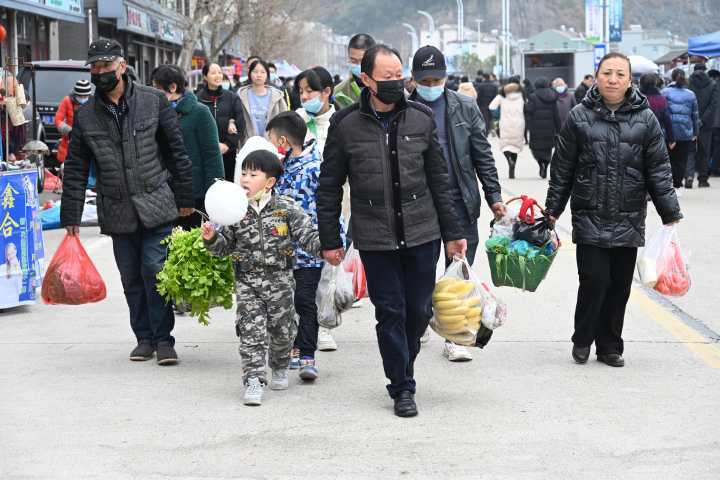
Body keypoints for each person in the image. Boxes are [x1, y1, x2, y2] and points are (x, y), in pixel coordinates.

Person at [317, 44, 467, 417]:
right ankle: (401, 386)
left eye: (399, 75)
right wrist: (330, 239)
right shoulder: (346, 125)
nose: (396, 82)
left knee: (417, 311)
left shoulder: (421, 118)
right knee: (390, 312)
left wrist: (453, 232)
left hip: (422, 231)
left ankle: (405, 366)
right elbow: (330, 185)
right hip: (374, 235)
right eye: (386, 77)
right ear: (366, 79)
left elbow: (440, 179)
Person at [61, 39, 194, 365]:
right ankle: (144, 338)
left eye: (105, 66)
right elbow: (76, 168)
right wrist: (71, 215)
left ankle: (164, 339)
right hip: (117, 206)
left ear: (121, 65)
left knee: (155, 270)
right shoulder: (86, 115)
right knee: (131, 277)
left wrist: (186, 197)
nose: (99, 73)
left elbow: (176, 152)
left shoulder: (154, 102)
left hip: (156, 201)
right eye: (94, 67)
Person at [546, 52, 682, 368]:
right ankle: (582, 337)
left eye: (620, 74)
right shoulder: (579, 116)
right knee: (594, 280)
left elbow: (659, 168)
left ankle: (609, 345)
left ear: (629, 80)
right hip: (589, 212)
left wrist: (669, 211)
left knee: (619, 285)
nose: (613, 79)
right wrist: (552, 210)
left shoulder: (646, 119)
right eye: (607, 72)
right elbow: (562, 168)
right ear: (597, 76)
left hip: (629, 214)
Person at [201, 150, 321, 406]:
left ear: (270, 182)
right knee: (251, 331)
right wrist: (211, 238)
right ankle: (253, 379)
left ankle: (279, 364)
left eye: (253, 174)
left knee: (283, 330)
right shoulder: (235, 211)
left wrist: (328, 247)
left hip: (281, 282)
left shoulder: (285, 208)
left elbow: (307, 236)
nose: (245, 179)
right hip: (247, 283)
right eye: (243, 173)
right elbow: (224, 247)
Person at [409, 46, 504, 363]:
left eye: (437, 79)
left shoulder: (464, 106)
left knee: (459, 271)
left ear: (446, 77)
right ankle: (422, 319)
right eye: (426, 79)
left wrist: (494, 197)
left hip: (459, 200)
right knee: (419, 271)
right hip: (418, 203)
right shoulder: (404, 109)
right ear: (414, 79)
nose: (432, 85)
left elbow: (482, 155)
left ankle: (456, 335)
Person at [266, 111, 342, 379]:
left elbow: (329, 205)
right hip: (281, 252)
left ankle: (306, 353)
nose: (272, 144)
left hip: (309, 251)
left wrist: (335, 239)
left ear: (284, 140)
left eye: (273, 139)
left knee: (304, 301)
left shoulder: (313, 168)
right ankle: (291, 346)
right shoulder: (279, 168)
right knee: (285, 302)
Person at [151, 65, 224, 229]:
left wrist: (213, 195)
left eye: (157, 88)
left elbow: (212, 156)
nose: (153, 93)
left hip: (194, 193)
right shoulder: (155, 112)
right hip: (163, 191)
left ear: (172, 88)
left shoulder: (200, 113)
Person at [196, 63, 245, 181]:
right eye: (213, 73)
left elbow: (240, 124)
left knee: (226, 185)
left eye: (219, 72)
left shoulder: (232, 97)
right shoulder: (197, 99)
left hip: (228, 153)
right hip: (204, 152)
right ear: (205, 77)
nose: (217, 76)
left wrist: (227, 145)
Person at [662, 69, 699, 190]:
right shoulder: (691, 94)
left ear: (672, 78)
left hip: (668, 132)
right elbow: (695, 115)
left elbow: (663, 113)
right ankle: (677, 184)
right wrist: (695, 132)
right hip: (685, 131)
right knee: (682, 159)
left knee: (669, 158)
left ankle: (670, 183)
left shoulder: (665, 92)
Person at [238, 60, 288, 143]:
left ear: (267, 75)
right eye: (255, 72)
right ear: (249, 74)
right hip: (248, 144)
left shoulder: (277, 96)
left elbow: (285, 120)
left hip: (272, 143)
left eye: (262, 72)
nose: (259, 75)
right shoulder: (241, 96)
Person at [294, 67, 337, 153]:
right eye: (301, 92)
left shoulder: (339, 123)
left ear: (327, 91)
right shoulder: (295, 120)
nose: (303, 97)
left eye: (309, 91)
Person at [687, 64, 716, 188]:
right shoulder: (712, 84)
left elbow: (686, 102)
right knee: (704, 151)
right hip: (706, 124)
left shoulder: (688, 83)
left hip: (689, 122)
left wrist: (693, 119)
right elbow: (713, 104)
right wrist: (702, 119)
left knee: (690, 150)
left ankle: (689, 176)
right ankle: (702, 179)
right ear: (705, 70)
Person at [525, 77, 560, 179]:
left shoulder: (532, 96)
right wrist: (559, 128)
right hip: (550, 127)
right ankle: (546, 164)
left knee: (535, 149)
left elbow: (529, 111)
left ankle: (541, 164)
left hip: (536, 128)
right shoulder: (553, 96)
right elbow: (556, 114)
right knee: (548, 149)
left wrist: (528, 123)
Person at [489, 82, 526, 178]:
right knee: (515, 146)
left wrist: (497, 115)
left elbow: (491, 106)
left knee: (505, 145)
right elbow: (527, 106)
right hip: (519, 123)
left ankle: (509, 160)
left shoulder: (501, 97)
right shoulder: (521, 96)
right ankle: (513, 167)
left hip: (505, 123)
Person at [54, 80, 92, 165]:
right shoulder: (67, 101)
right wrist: (70, 132)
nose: (82, 98)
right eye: (80, 96)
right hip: (68, 147)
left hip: (88, 147)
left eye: (85, 96)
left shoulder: (93, 102)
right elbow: (58, 120)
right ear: (75, 94)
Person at [334, 33, 376, 108]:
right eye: (353, 61)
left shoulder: (386, 89)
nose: (358, 65)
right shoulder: (339, 93)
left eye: (363, 61)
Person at [639, 73, 675, 151]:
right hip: (656, 138)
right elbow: (667, 120)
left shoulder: (635, 98)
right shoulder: (661, 99)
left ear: (641, 83)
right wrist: (671, 139)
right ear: (655, 83)